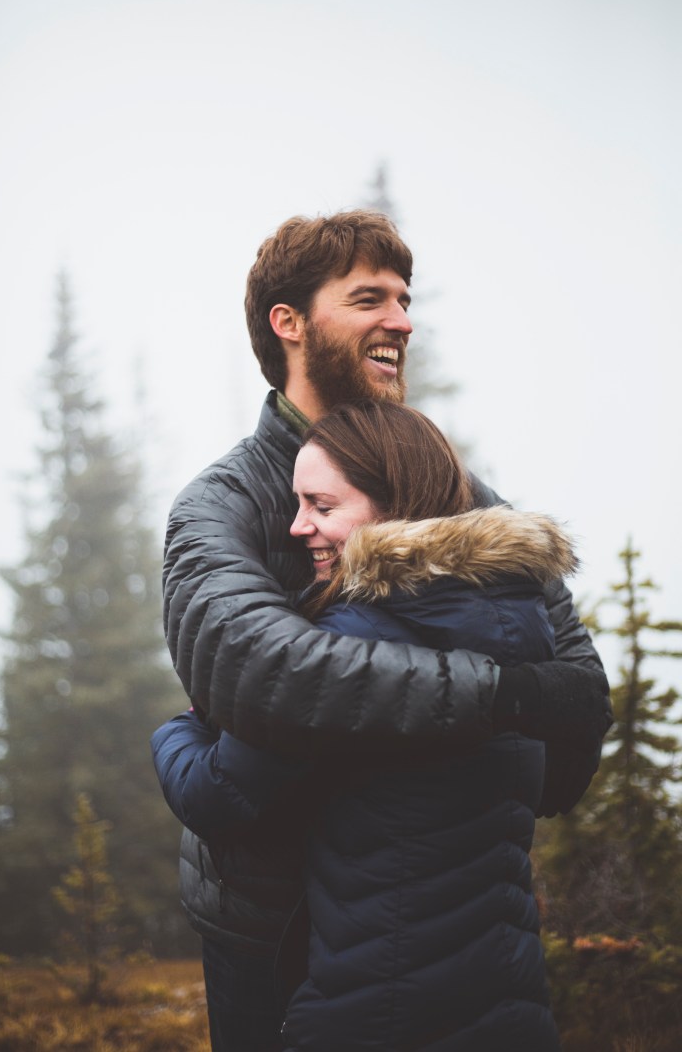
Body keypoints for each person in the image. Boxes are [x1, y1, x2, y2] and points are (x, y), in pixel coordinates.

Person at [160, 210, 611, 1049]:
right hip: (264, 925)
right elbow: (257, 670)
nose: (403, 322)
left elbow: (579, 703)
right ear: (287, 323)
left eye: (406, 301)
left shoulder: (473, 506)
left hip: (447, 920)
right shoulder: (217, 505)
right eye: (370, 298)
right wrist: (506, 695)